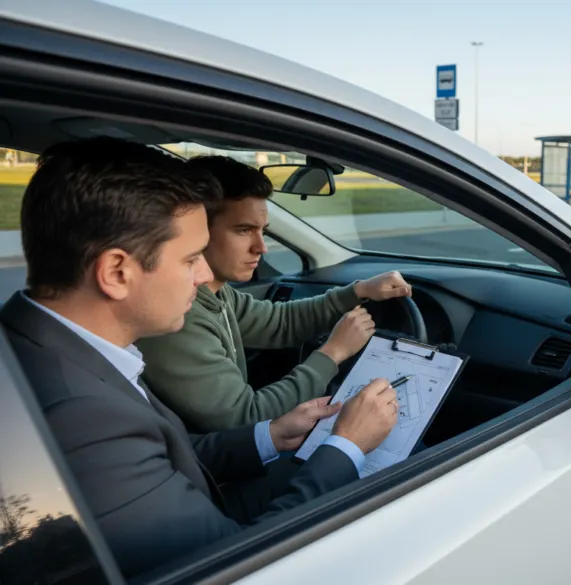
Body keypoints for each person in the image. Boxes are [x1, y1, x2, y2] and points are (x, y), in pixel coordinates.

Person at [0, 137, 400, 578]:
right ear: (117, 273)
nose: (206, 274)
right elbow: (237, 563)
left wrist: (269, 435)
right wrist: (347, 445)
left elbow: (168, 451)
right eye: (191, 259)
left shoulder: (54, 349)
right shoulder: (84, 421)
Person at [135, 155, 413, 432]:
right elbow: (245, 417)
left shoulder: (217, 293)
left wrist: (359, 291)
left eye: (263, 232)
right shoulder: (176, 315)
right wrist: (334, 352)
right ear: (196, 230)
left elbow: (279, 322)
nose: (261, 247)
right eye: (243, 230)